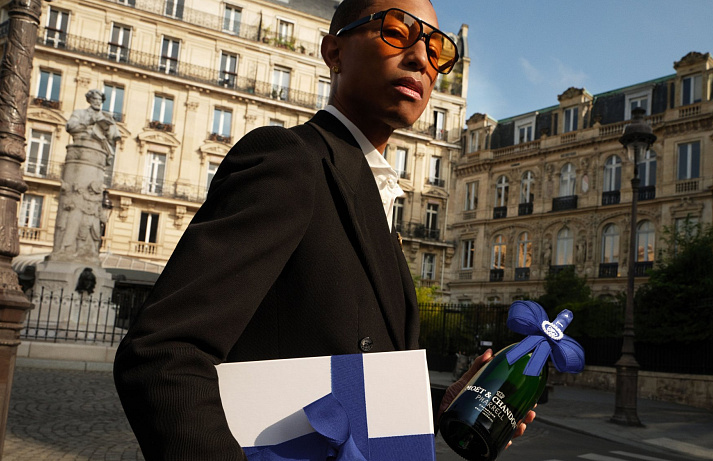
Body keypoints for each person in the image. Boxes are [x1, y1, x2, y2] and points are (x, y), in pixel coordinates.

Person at [113, 1, 532, 459]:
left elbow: (346, 371)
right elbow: (163, 353)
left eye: (437, 50)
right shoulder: (290, 160)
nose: (421, 58)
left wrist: (438, 406)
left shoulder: (371, 191)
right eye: (396, 32)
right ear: (334, 52)